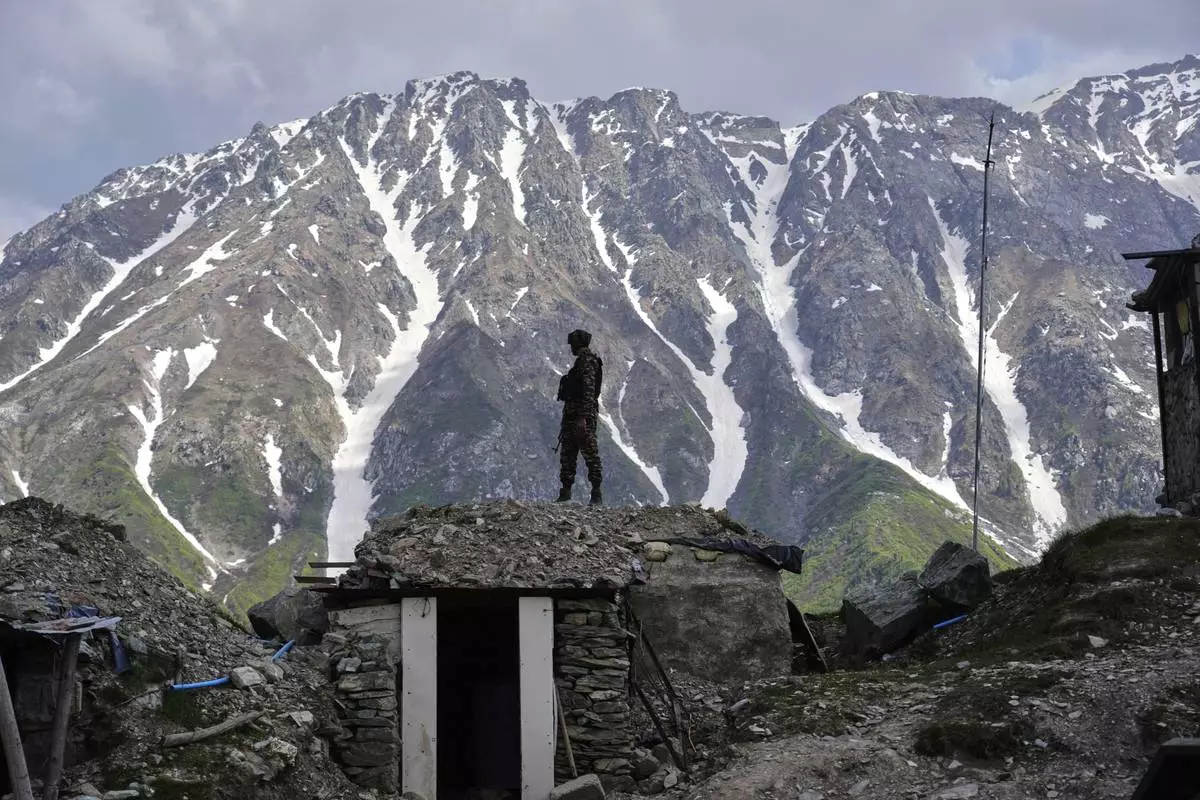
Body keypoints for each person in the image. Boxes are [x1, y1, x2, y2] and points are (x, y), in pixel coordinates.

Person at [556, 329, 603, 504]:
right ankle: (565, 492)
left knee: (590, 453)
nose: (571, 347)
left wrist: (583, 417)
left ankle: (596, 493)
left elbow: (589, 391)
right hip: (572, 416)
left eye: (573, 344)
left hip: (581, 417)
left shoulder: (588, 362)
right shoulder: (581, 362)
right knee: (568, 455)